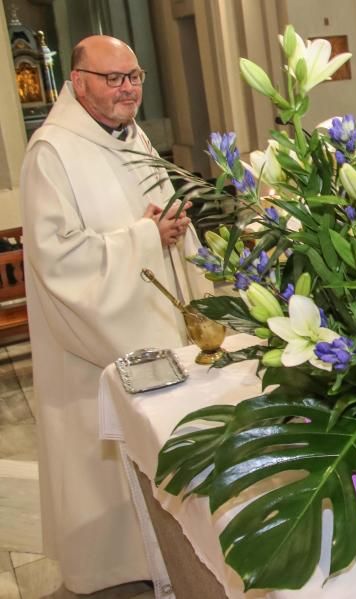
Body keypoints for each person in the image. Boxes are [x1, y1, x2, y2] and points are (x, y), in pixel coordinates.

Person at [20, 35, 212, 593]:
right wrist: (144, 237)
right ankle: (116, 564)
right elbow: (60, 262)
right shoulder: (52, 152)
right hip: (96, 351)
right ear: (77, 81)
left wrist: (168, 230)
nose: (127, 88)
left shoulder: (134, 138)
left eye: (134, 76)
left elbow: (152, 218)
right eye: (113, 79)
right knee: (106, 473)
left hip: (154, 327)